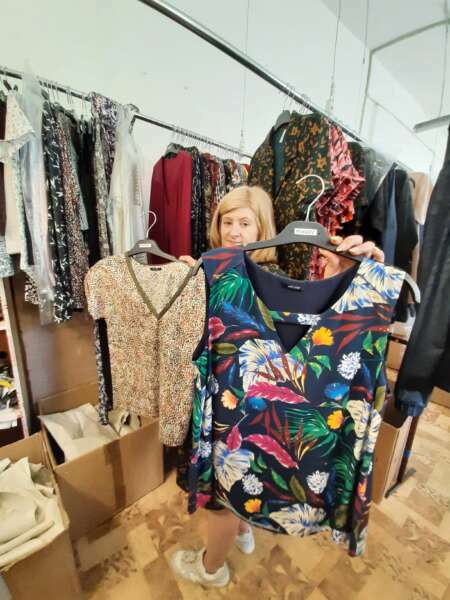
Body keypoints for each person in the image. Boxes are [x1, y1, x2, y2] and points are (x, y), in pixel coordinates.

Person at [174, 185, 384, 588]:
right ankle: (244, 530)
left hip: (243, 433)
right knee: (234, 490)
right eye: (227, 222)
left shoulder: (259, 280)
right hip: (245, 430)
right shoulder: (216, 272)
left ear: (263, 229)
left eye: (245, 222)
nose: (235, 231)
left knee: (220, 502)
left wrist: (355, 278)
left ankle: (211, 568)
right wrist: (184, 284)